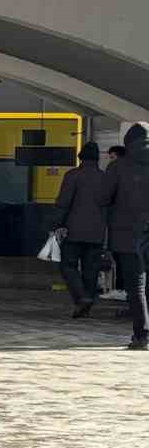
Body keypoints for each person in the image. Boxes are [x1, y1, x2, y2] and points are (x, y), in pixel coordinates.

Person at [101, 123, 149, 350]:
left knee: (136, 287)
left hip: (128, 234)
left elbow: (103, 198)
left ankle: (141, 336)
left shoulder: (118, 167)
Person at [52, 142, 108, 318]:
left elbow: (63, 203)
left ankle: (82, 297)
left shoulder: (73, 175)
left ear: (80, 157)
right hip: (97, 232)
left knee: (67, 265)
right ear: (97, 158)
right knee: (91, 269)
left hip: (73, 230)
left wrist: (56, 225)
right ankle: (86, 305)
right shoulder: (105, 178)